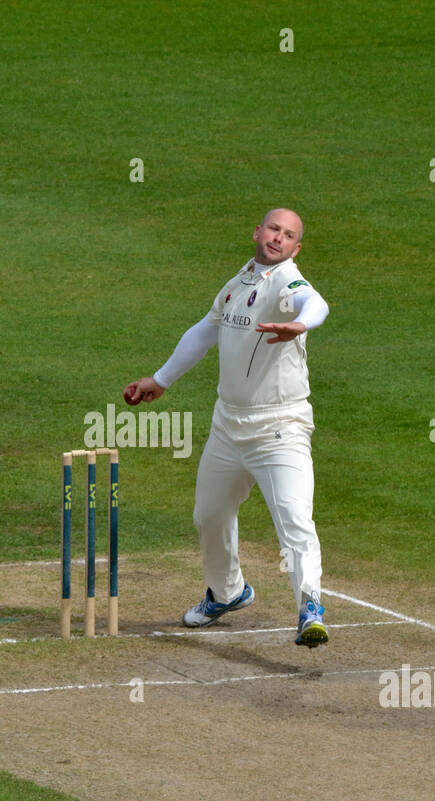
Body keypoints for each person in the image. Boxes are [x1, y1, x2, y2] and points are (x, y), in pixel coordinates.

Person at [123, 209, 331, 647]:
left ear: (296, 248)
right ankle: (227, 592)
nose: (278, 238)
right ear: (257, 232)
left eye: (288, 235)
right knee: (210, 516)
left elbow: (316, 303)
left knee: (294, 519)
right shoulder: (239, 284)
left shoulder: (287, 283)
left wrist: (300, 323)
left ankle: (310, 607)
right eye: (273, 229)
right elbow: (204, 331)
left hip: (280, 428)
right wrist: (159, 380)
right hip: (228, 426)